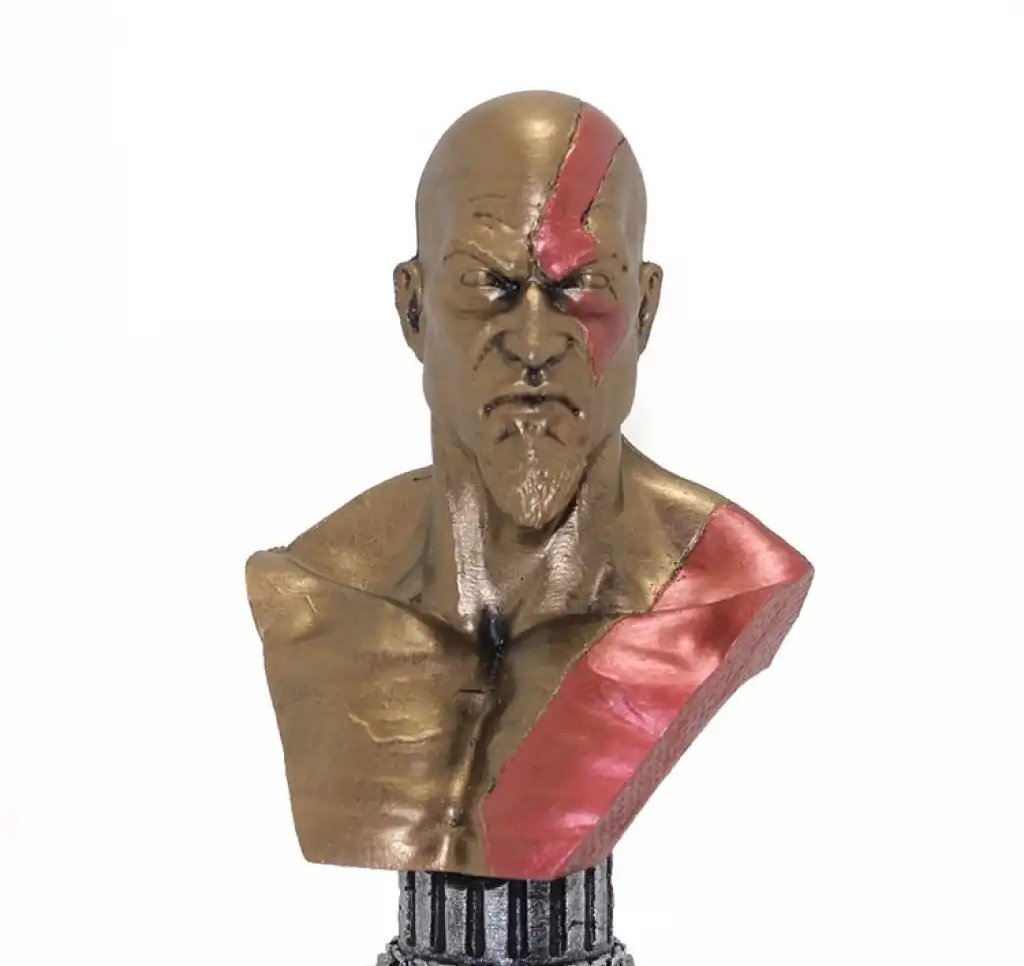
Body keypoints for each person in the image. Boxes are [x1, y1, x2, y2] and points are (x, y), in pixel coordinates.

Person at [247, 91, 812, 879]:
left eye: (583, 286)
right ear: (413, 308)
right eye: (487, 285)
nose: (537, 344)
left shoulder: (721, 581)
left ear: (644, 310)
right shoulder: (318, 587)